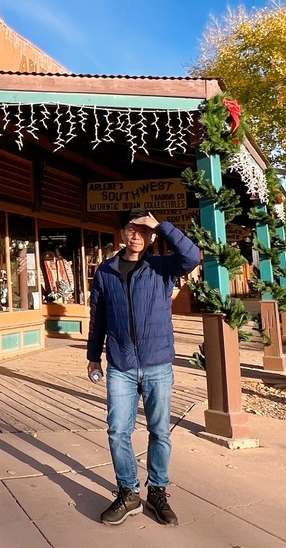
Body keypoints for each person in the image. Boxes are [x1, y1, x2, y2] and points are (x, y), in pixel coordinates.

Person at [87, 208, 201, 527]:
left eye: (142, 230)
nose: (135, 234)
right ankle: (128, 493)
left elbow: (191, 255)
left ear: (150, 236)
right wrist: (93, 357)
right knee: (118, 431)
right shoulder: (106, 272)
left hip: (157, 364)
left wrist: (161, 225)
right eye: (130, 229)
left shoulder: (162, 267)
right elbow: (99, 319)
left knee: (159, 431)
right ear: (122, 233)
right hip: (120, 366)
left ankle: (157, 492)